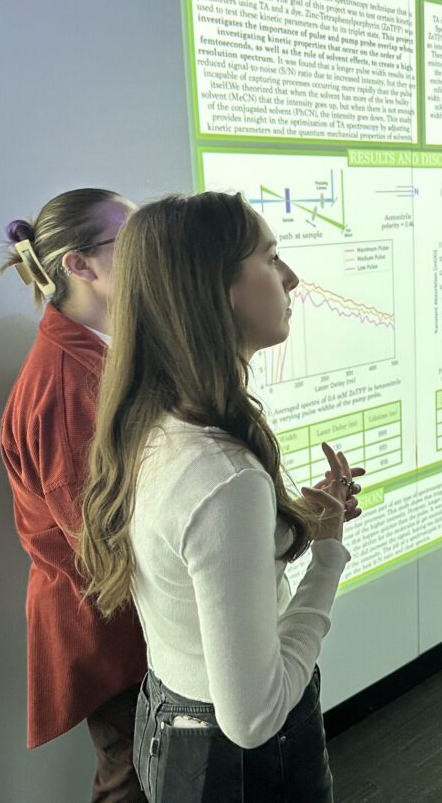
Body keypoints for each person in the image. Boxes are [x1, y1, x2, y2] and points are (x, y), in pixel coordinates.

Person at [77, 192, 362, 803]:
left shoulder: (151, 420)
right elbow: (254, 719)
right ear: (217, 289)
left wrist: (291, 527)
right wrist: (329, 556)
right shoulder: (224, 475)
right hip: (236, 766)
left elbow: (192, 561)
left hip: (171, 726)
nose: (291, 277)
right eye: (271, 256)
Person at [0, 188, 147, 801]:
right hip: (108, 627)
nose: (151, 254)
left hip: (119, 618)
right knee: (132, 781)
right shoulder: (67, 380)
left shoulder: (95, 352)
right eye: (133, 241)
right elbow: (103, 540)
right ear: (78, 265)